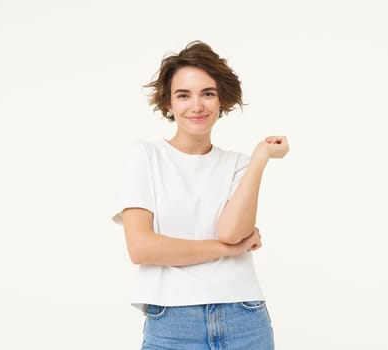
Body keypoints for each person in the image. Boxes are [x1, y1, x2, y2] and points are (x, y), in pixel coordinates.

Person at [112, 40, 289, 350]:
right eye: (183, 95)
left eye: (208, 93)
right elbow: (141, 248)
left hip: (244, 316)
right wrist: (227, 250)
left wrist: (260, 156)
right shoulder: (145, 157)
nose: (197, 106)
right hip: (172, 322)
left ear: (222, 100)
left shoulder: (238, 164)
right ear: (168, 103)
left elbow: (232, 232)